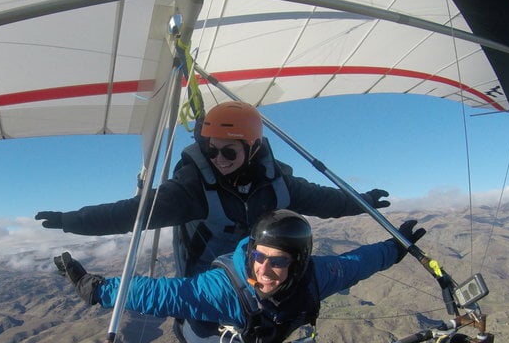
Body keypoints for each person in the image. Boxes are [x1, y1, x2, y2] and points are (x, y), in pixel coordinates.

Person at [36, 101, 390, 277]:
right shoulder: (190, 190)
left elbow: (324, 200)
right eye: (211, 149)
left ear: (252, 149)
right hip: (210, 275)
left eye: (229, 151)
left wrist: (363, 202)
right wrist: (72, 220)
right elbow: (131, 213)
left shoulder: (277, 182)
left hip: (259, 271)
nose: (218, 158)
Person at [54, 210, 425, 343]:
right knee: (192, 319)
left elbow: (357, 264)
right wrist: (98, 289)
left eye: (278, 261)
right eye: (259, 257)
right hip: (205, 336)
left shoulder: (317, 276)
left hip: (256, 329)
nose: (264, 269)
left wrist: (396, 247)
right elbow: (160, 294)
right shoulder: (223, 291)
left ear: (297, 264)